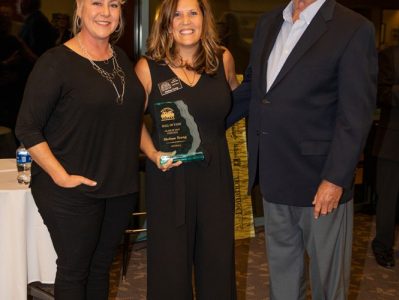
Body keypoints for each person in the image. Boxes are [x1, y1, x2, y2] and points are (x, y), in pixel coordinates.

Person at [228, 0, 377, 299]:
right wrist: (205, 116)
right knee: (282, 279)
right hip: (273, 174)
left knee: (327, 284)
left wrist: (335, 178)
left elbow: (355, 115)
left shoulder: (354, 28)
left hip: (320, 183)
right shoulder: (269, 22)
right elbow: (257, 90)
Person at [15, 0, 145, 299]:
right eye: (96, 2)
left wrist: (152, 154)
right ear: (79, 8)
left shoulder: (121, 58)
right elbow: (27, 127)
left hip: (117, 187)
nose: (105, 12)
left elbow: (130, 119)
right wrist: (61, 176)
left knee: (100, 268)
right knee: (75, 270)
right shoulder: (55, 61)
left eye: (113, 4)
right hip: (70, 188)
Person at [134, 0, 238, 298]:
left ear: (205, 18)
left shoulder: (223, 59)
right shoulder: (148, 67)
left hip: (215, 174)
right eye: (176, 14)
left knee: (217, 260)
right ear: (166, 23)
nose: (185, 20)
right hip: (170, 176)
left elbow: (233, 101)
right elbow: (131, 122)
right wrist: (152, 154)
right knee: (170, 264)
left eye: (193, 12)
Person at [371, 44, 399, 268]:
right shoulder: (389, 56)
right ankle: (382, 246)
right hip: (393, 141)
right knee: (388, 200)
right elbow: (379, 93)